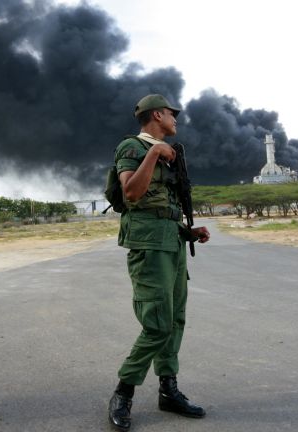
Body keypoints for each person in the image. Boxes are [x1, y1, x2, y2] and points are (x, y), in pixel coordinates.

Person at [108, 94, 211, 431]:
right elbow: (133, 194)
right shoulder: (133, 147)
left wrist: (188, 230)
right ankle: (123, 392)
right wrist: (152, 152)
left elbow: (162, 204)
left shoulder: (171, 152)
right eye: (171, 113)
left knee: (176, 318)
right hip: (149, 245)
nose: (175, 119)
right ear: (156, 114)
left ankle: (168, 389)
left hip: (172, 241)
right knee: (157, 323)